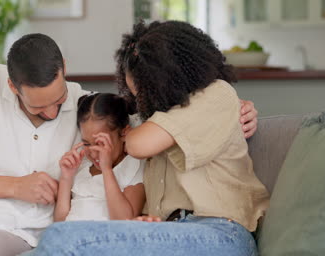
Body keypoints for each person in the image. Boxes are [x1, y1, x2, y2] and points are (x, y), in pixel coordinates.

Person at [0, 32, 258, 255]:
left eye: (60, 102)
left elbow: (139, 129)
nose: (57, 113)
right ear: (12, 85)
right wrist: (16, 185)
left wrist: (234, 109)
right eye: (40, 106)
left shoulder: (88, 109)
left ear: (65, 72)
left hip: (14, 230)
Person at [23, 21, 270, 256]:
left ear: (164, 81)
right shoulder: (160, 118)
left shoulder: (214, 94)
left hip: (221, 233)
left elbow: (136, 144)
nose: (139, 99)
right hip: (172, 231)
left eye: (141, 92)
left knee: (61, 239)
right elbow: (107, 115)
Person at [54, 93, 145, 222]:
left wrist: (107, 170)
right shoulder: (82, 166)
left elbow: (124, 221)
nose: (94, 153)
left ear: (124, 134)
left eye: (101, 143)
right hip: (71, 237)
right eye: (86, 143)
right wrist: (66, 178)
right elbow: (59, 223)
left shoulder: (133, 166)